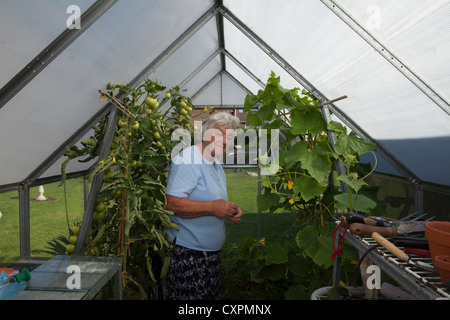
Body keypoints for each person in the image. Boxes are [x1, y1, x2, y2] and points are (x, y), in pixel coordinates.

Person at [164, 112, 243, 300]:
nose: (225, 141)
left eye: (230, 137)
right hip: (189, 256)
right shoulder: (189, 159)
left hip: (208, 254)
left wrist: (230, 209)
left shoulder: (215, 162)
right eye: (220, 134)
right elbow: (172, 204)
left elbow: (214, 201)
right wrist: (213, 208)